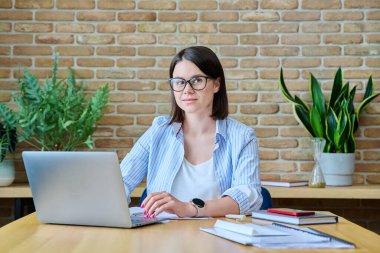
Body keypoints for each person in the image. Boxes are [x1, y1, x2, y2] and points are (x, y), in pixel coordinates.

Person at [120, 46, 262, 218]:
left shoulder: (242, 136)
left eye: (197, 80)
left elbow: (249, 196)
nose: (187, 90)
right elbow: (120, 182)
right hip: (160, 236)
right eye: (179, 82)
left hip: (217, 238)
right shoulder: (158, 130)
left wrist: (190, 208)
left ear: (216, 84)